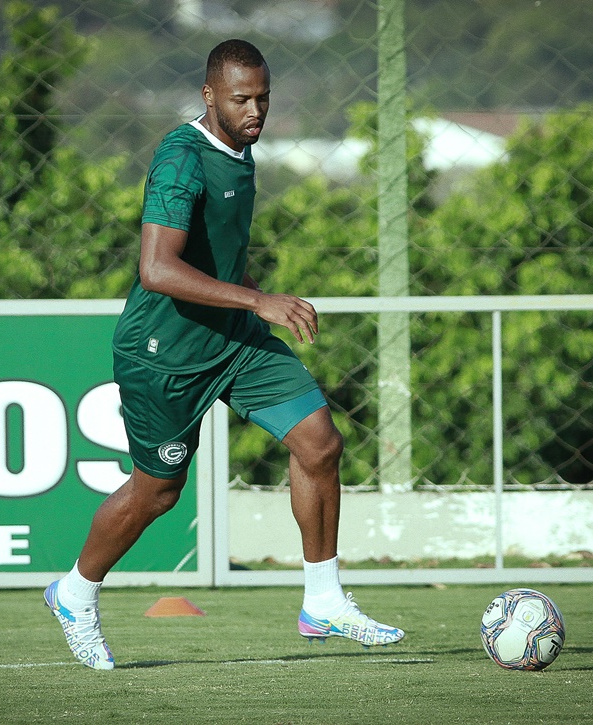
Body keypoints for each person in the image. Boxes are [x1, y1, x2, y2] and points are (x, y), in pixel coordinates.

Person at [44, 38, 404, 670]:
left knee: (319, 442)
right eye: (241, 99)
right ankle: (75, 593)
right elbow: (157, 268)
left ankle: (323, 598)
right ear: (209, 95)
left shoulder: (241, 151)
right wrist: (258, 299)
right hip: (165, 353)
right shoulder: (182, 159)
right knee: (159, 491)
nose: (255, 110)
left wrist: (247, 307)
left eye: (263, 98)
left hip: (233, 341)